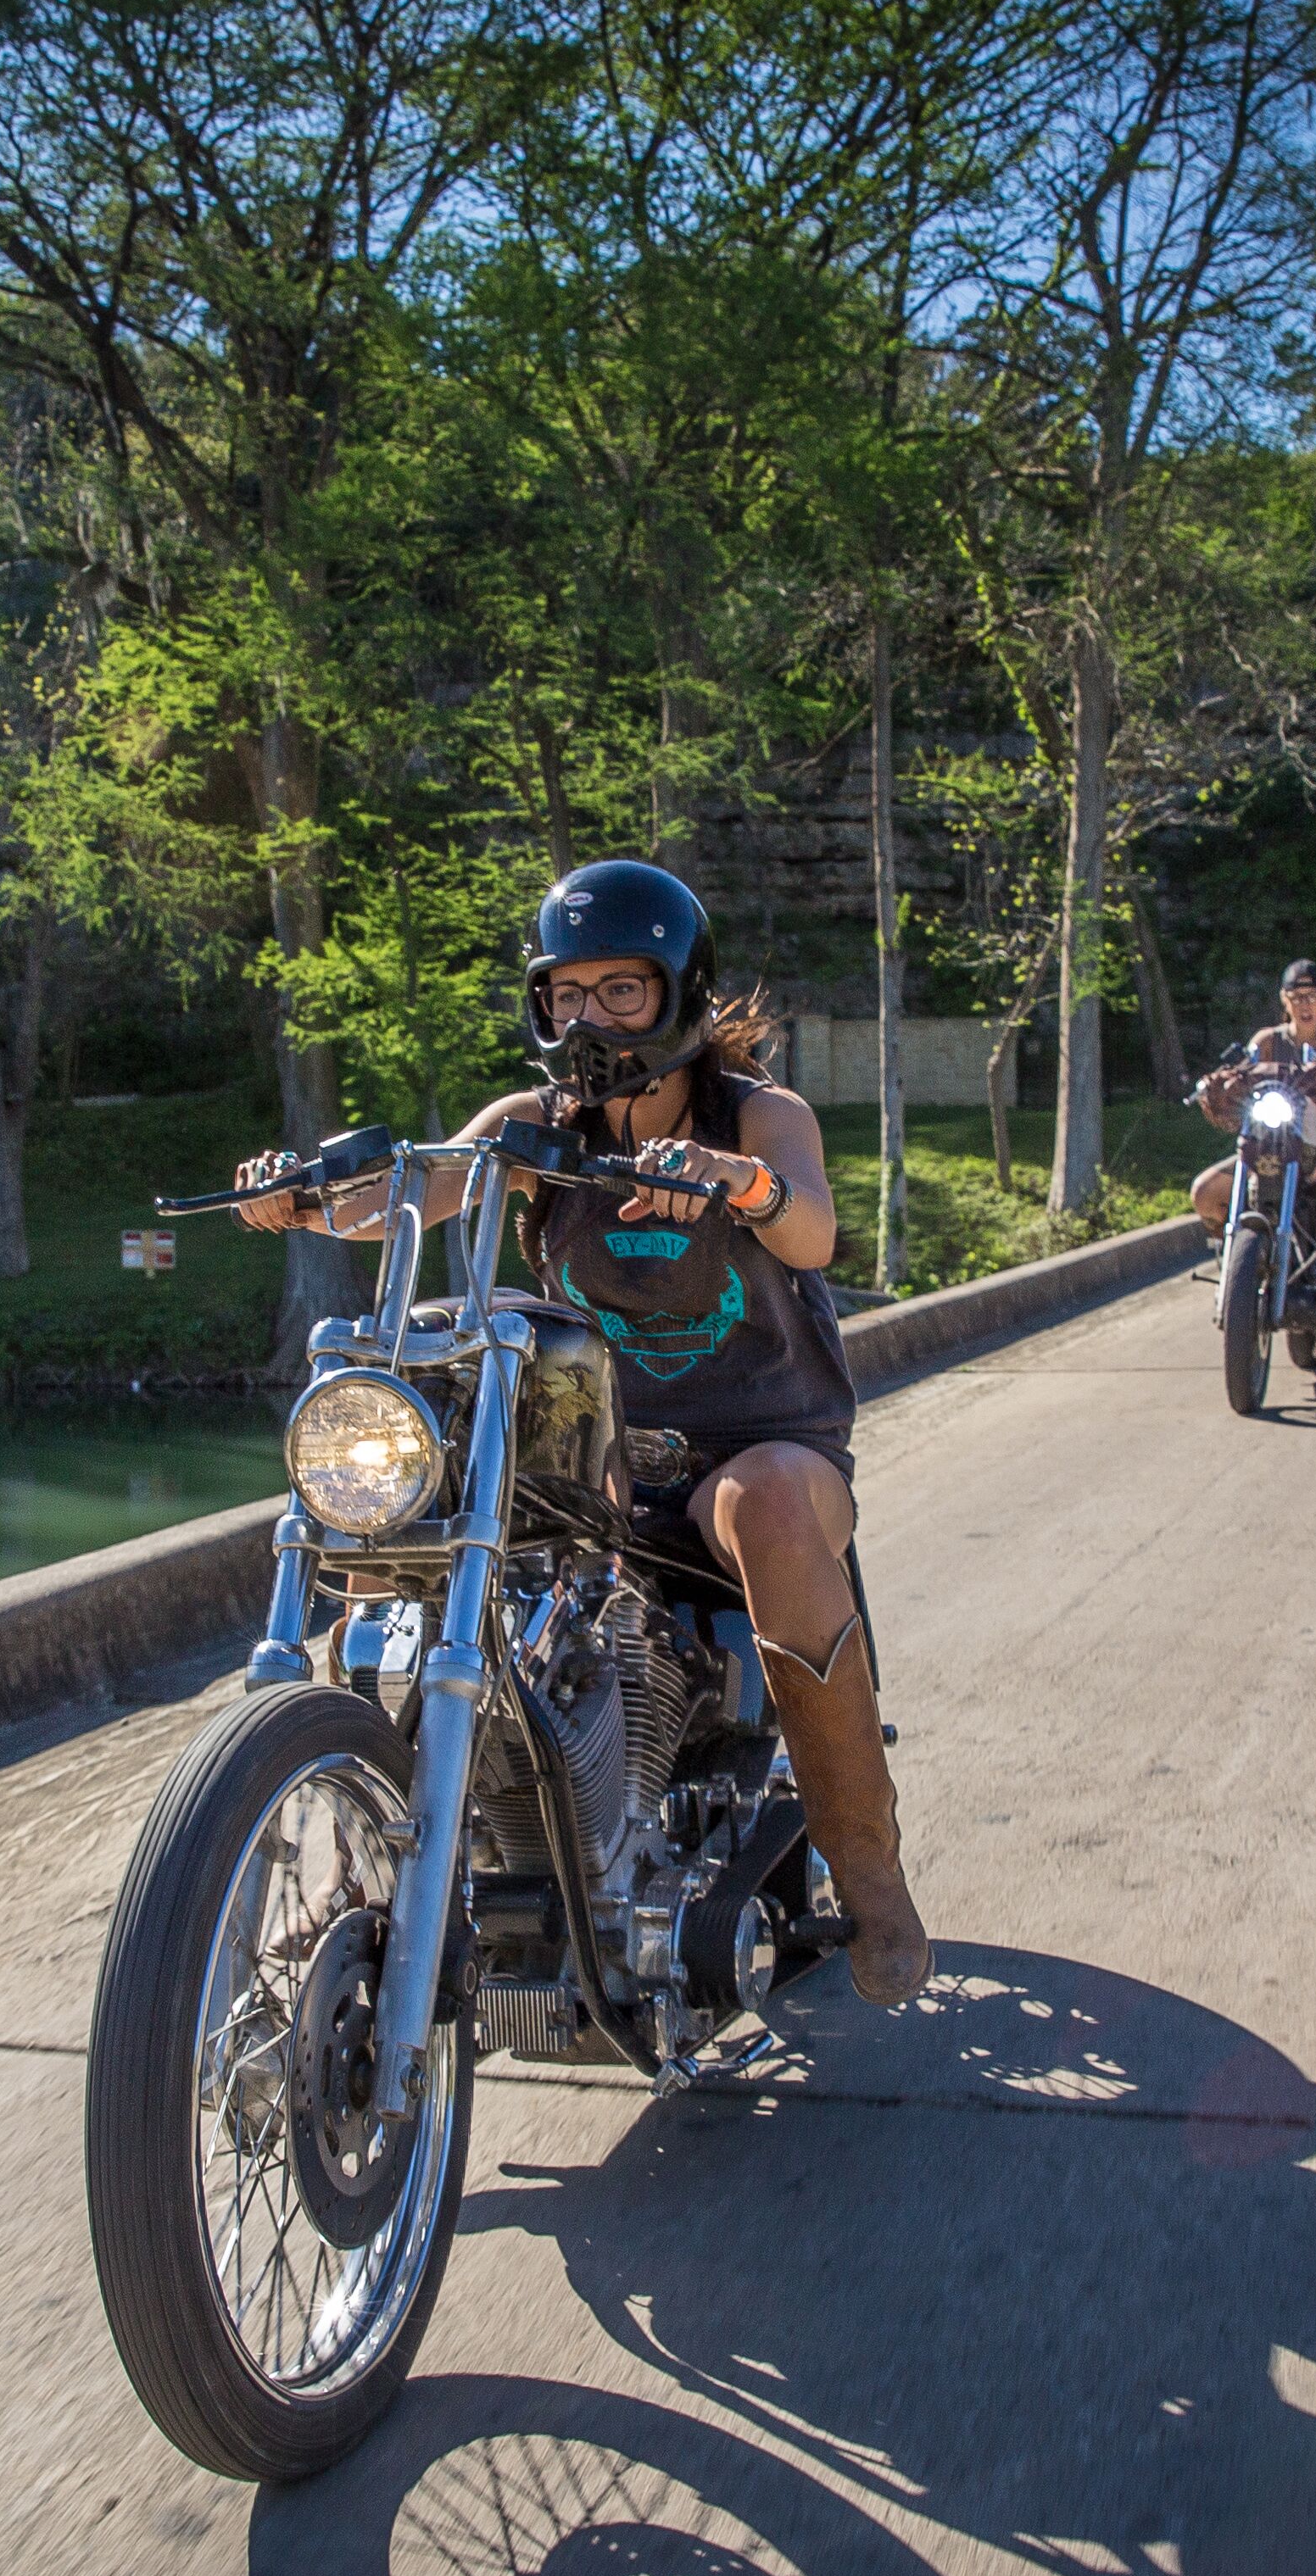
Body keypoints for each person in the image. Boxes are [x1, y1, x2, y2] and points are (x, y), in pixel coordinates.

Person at [226, 859, 931, 2009]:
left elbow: (810, 1229)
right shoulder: (529, 1128)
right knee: (409, 1494)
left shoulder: (759, 1112)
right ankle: (357, 1857)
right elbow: (392, 1201)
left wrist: (743, 1187)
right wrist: (296, 1197)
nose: (588, 1017)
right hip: (587, 1463)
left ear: (679, 993)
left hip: (754, 1454)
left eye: (621, 991)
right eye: (566, 992)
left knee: (765, 1503)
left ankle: (869, 1866)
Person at [1189, 960, 1316, 1313]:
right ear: (1284, 1000)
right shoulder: (1267, 1041)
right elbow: (1242, 1068)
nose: (1305, 1004)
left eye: (1313, 996)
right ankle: (1238, 1265)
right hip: (1269, 1148)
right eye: (1296, 996)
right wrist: (1218, 1084)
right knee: (1203, 1192)